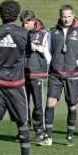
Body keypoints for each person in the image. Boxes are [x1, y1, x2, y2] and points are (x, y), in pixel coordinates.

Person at [40, 4, 78, 147]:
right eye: (64, 16)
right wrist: (52, 62)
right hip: (55, 74)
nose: (66, 19)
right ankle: (48, 136)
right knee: (50, 103)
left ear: (73, 15)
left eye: (69, 16)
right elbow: (46, 49)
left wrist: (77, 63)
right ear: (60, 16)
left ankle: (69, 136)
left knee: (72, 105)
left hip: (73, 74)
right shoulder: (52, 31)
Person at [0, 0, 31, 155]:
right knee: (23, 122)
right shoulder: (24, 33)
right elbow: (27, 52)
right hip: (16, 84)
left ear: (0, 13)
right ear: (17, 14)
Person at [20, 10, 49, 142]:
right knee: (23, 103)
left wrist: (36, 47)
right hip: (22, 73)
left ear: (33, 21)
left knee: (38, 104)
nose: (25, 25)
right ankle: (24, 128)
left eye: (27, 23)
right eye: (23, 23)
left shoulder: (44, 34)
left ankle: (39, 130)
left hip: (37, 72)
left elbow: (48, 51)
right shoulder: (20, 32)